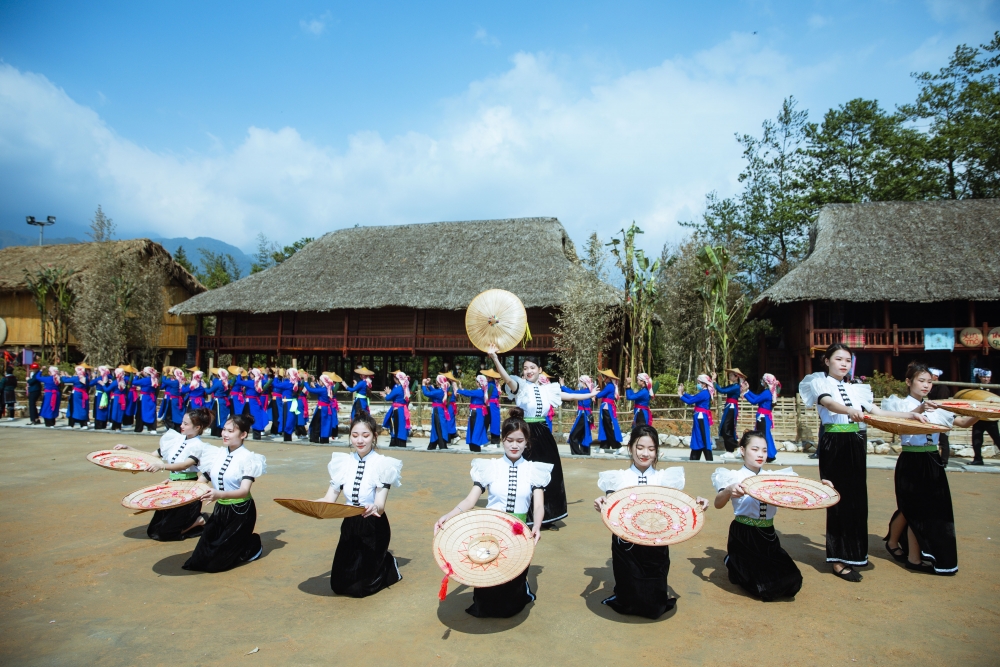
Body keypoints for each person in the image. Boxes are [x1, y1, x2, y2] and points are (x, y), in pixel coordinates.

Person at [799, 343, 927, 582]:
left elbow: (876, 412)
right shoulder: (819, 382)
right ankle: (837, 560)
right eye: (838, 359)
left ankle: (854, 555)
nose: (844, 363)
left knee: (857, 500)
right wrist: (850, 411)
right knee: (837, 499)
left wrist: (911, 414)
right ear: (827, 361)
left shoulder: (857, 388)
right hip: (835, 442)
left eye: (847, 359)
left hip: (856, 442)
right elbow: (829, 404)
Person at [434, 408, 549, 617]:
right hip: (490, 530)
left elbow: (539, 506)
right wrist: (448, 515)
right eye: (509, 440)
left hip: (519, 532)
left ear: (527, 443)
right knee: (487, 575)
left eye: (520, 440)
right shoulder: (489, 467)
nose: (514, 445)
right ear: (502, 440)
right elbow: (471, 500)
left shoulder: (534, 470)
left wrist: (538, 526)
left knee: (512, 582)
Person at [594, 424, 709, 618]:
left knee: (654, 604)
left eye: (651, 448)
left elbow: (678, 506)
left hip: (657, 544)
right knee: (629, 598)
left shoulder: (665, 479)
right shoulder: (618, 478)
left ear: (657, 452)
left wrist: (696, 504)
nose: (645, 453)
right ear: (630, 447)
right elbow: (612, 509)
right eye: (640, 447)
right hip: (626, 545)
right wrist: (602, 504)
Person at [486, 344, 596, 526]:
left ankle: (549, 515)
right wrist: (495, 358)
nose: (528, 371)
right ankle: (526, 516)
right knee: (526, 474)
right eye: (525, 368)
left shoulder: (548, 389)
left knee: (550, 473)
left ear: (540, 370)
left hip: (543, 433)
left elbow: (568, 396)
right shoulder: (519, 386)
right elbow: (506, 378)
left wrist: (591, 394)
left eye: (532, 368)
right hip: (525, 434)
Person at [712, 431, 825, 600]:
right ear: (742, 450)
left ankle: (737, 564)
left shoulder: (772, 477)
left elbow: (800, 490)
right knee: (764, 589)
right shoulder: (734, 476)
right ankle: (734, 561)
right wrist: (729, 490)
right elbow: (718, 504)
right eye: (755, 449)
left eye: (764, 450)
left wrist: (822, 487)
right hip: (744, 535)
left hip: (768, 535)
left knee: (793, 582)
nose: (760, 454)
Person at [883, 362, 972, 575]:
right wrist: (920, 409)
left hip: (932, 459)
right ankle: (911, 556)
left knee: (926, 509)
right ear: (908, 382)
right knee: (913, 508)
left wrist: (983, 412)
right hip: (912, 460)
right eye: (921, 381)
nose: (926, 386)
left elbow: (963, 422)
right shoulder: (900, 405)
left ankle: (902, 547)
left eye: (929, 382)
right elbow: (894, 424)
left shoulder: (936, 406)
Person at [315, 412, 403, 596]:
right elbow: (329, 499)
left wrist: (373, 508)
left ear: (374, 437)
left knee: (360, 589)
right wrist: (308, 506)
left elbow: (380, 504)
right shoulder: (343, 462)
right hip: (350, 523)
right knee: (338, 586)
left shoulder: (383, 464)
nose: (360, 440)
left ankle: (387, 564)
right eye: (355, 436)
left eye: (365, 435)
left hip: (373, 524)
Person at [114, 408, 216, 540]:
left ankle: (199, 521)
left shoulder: (199, 446)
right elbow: (152, 456)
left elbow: (185, 465)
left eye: (186, 424)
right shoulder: (175, 440)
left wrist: (162, 466)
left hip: (187, 490)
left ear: (197, 427)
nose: (181, 426)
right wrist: (129, 449)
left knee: (165, 533)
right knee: (153, 531)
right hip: (172, 487)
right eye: (182, 422)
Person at [183, 413, 266, 572]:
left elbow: (243, 491)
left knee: (216, 565)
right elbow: (202, 480)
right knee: (197, 561)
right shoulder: (216, 454)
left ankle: (252, 545)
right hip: (220, 510)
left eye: (230, 431)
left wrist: (218, 494)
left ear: (243, 435)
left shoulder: (249, 458)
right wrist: (177, 489)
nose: (225, 434)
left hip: (240, 512)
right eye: (224, 430)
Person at [743, 373, 781, 463]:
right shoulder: (769, 392)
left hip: (763, 417)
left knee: (764, 436)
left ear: (766, 382)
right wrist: (747, 391)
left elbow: (754, 401)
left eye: (763, 380)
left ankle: (770, 455)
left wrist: (745, 393)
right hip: (764, 417)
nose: (762, 382)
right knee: (766, 435)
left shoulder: (767, 392)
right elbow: (757, 398)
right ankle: (770, 454)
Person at [677, 375, 715, 461]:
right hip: (699, 416)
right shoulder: (704, 392)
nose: (698, 384)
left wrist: (680, 395)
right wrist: (684, 393)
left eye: (699, 383)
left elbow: (691, 401)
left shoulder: (704, 393)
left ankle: (706, 458)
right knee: (700, 435)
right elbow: (694, 398)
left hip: (701, 417)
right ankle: (696, 456)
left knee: (703, 435)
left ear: (704, 384)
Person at [969, 368, 999, 466]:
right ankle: (978, 458)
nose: (986, 379)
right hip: (978, 417)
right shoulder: (976, 389)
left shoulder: (996, 387)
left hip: (990, 418)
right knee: (976, 439)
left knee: (997, 439)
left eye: (988, 377)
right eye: (984, 377)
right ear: (979, 377)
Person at [714, 368, 747, 453]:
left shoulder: (736, 387)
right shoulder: (732, 386)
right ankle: (730, 450)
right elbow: (722, 389)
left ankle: (737, 445)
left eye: (731, 375)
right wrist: (715, 380)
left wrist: (714, 381)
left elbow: (721, 390)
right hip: (729, 407)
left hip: (731, 408)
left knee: (726, 429)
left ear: (736, 377)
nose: (730, 376)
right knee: (727, 429)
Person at [455, 374, 489, 452]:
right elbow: (470, 392)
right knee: (473, 428)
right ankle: (473, 445)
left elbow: (469, 393)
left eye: (476, 381)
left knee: (476, 429)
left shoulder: (480, 391)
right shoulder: (481, 391)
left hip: (477, 412)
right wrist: (461, 389)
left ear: (479, 382)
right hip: (475, 412)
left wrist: (458, 390)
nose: (475, 383)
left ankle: (475, 446)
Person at [234, 368, 271, 440]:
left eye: (251, 374)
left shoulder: (251, 383)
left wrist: (239, 373)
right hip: (256, 401)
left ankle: (250, 434)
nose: (249, 375)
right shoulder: (260, 382)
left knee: (246, 417)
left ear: (253, 375)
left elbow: (239, 382)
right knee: (256, 417)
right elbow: (267, 381)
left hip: (251, 402)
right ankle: (256, 435)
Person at [564, 375, 595, 455]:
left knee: (573, 436)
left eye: (579, 382)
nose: (578, 383)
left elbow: (571, 393)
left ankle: (577, 453)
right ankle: (585, 453)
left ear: (583, 382)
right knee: (583, 435)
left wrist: (562, 386)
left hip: (583, 416)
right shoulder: (586, 391)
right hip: (585, 415)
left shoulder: (585, 391)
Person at [926, 367, 951, 464]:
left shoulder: (942, 387)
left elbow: (941, 402)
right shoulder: (931, 387)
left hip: (942, 415)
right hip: (933, 415)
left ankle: (944, 461)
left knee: (943, 439)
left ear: (935, 376)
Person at [380, 371, 411, 448]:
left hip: (397, 410)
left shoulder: (398, 388)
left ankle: (395, 441)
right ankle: (400, 442)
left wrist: (386, 394)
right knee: (401, 426)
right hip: (403, 409)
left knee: (395, 425)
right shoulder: (405, 388)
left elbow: (388, 398)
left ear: (398, 379)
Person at [421, 375, 452, 450]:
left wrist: (423, 385)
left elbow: (427, 394)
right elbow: (434, 391)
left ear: (438, 382)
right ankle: (437, 443)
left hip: (437, 410)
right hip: (440, 409)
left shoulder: (440, 391)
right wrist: (428, 385)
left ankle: (441, 444)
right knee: (439, 426)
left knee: (438, 426)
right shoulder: (443, 390)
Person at [306, 373, 340, 443]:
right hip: (327, 408)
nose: (320, 382)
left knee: (316, 424)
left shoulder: (323, 390)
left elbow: (310, 389)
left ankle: (314, 438)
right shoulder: (328, 388)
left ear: (323, 382)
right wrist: (315, 382)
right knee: (325, 424)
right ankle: (324, 439)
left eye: (320, 381)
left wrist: (306, 381)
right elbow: (320, 389)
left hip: (321, 409)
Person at [594, 369, 622, 452]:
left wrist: (594, 392)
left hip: (607, 408)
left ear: (609, 378)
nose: (604, 378)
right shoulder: (610, 385)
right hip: (606, 408)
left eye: (605, 377)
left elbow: (600, 395)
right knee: (605, 426)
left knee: (608, 427)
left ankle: (618, 446)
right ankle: (604, 446)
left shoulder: (609, 386)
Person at [131, 367, 161, 434]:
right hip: (152, 397)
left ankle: (139, 428)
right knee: (152, 412)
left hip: (145, 398)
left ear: (147, 373)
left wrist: (137, 376)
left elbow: (134, 382)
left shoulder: (145, 380)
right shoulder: (155, 379)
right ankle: (152, 428)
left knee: (140, 412)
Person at [158, 368, 187, 432]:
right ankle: (176, 428)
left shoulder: (175, 382)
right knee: (177, 414)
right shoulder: (181, 382)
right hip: (179, 400)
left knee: (169, 415)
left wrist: (165, 374)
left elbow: (164, 381)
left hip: (173, 400)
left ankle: (171, 428)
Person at [209, 368, 232, 437]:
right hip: (224, 401)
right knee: (222, 417)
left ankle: (216, 433)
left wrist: (205, 387)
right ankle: (221, 432)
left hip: (218, 402)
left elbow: (209, 391)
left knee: (216, 418)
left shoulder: (219, 383)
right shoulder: (227, 382)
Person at [483, 369, 503, 445]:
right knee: (494, 421)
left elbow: (487, 395)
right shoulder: (495, 384)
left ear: (490, 377)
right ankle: (495, 440)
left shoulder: (490, 385)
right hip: (494, 405)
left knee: (489, 421)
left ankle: (493, 441)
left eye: (487, 377)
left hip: (490, 405)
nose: (486, 378)